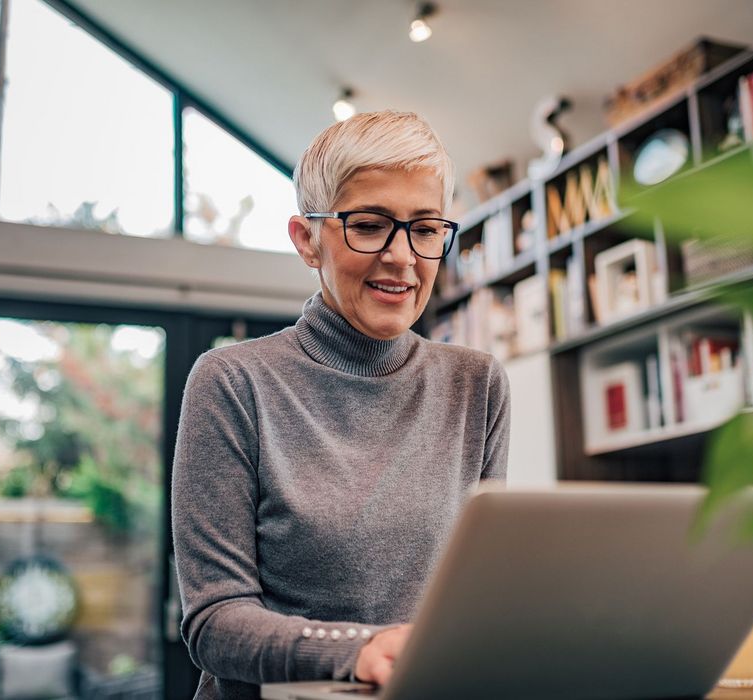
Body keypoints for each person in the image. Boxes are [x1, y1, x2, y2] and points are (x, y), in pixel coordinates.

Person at [171, 110, 510, 700]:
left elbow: (481, 594)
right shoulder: (232, 381)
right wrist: (358, 653)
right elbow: (214, 622)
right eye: (370, 224)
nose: (403, 258)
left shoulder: (476, 384)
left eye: (426, 229)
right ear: (307, 240)